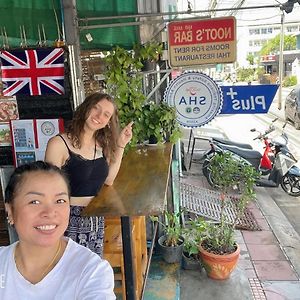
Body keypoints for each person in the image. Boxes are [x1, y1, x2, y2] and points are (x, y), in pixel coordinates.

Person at [0, 161, 115, 299]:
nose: (49, 212)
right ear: (10, 211)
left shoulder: (91, 271)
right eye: (35, 201)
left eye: (60, 201)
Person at [44, 93, 133, 257]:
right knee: (67, 272)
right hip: (67, 219)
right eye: (96, 108)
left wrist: (120, 145)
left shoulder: (101, 146)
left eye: (106, 114)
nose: (99, 116)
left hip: (95, 219)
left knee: (90, 273)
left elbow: (109, 180)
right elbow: (49, 190)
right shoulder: (58, 144)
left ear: (108, 122)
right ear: (86, 108)